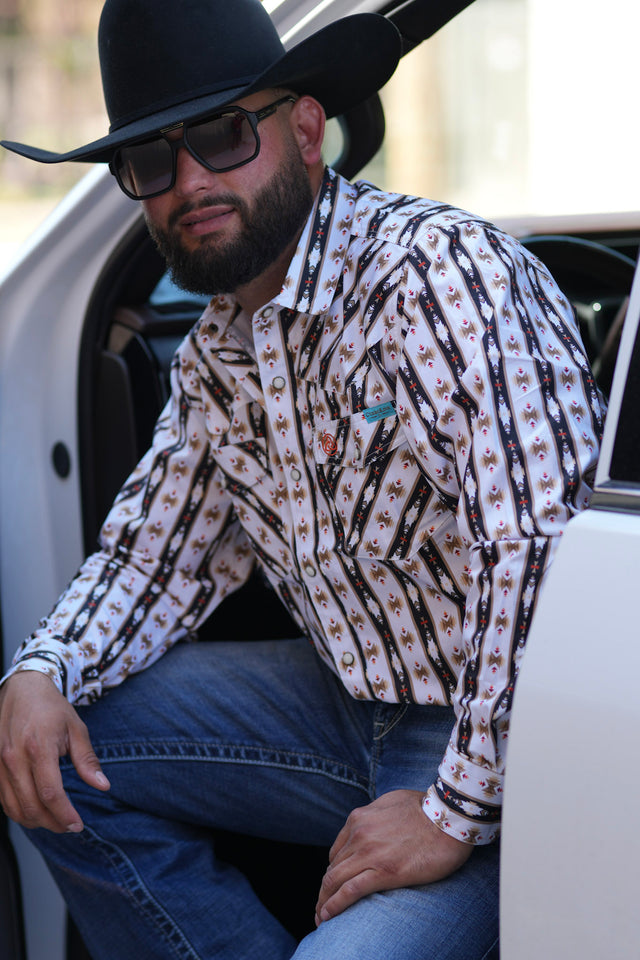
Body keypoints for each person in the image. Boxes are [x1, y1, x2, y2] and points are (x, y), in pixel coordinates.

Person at [0, 1, 603, 958]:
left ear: (309, 131)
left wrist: (453, 809)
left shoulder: (438, 277)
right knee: (46, 749)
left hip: (514, 744)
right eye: (151, 160)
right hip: (341, 713)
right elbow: (154, 558)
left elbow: (539, 558)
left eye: (222, 135)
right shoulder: (217, 355)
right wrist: (42, 670)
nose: (190, 181)